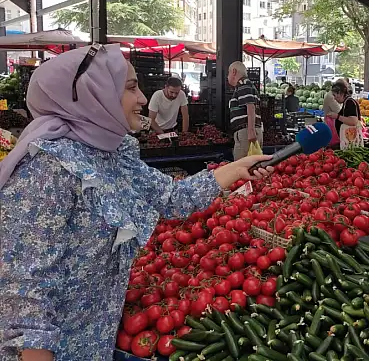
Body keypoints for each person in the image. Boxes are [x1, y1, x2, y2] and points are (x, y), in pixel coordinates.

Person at [0, 45, 273, 360]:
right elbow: (26, 293)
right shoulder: (47, 167)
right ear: (94, 93)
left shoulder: (113, 153)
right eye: (131, 87)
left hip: (94, 342)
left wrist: (237, 168)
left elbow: (173, 198)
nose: (143, 98)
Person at [228, 61, 263, 160]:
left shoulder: (243, 84)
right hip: (250, 130)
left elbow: (250, 106)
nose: (228, 76)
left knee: (241, 166)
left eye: (228, 73)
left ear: (234, 72)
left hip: (245, 131)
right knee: (253, 165)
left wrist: (251, 131)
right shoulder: (248, 84)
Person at [326, 82, 363, 149]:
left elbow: (353, 121)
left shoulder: (350, 102)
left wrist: (337, 116)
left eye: (334, 95)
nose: (334, 98)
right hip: (348, 140)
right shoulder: (347, 102)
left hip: (351, 141)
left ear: (340, 93)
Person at [323, 79, 344, 145]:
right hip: (332, 122)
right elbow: (339, 110)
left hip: (333, 121)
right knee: (333, 144)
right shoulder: (331, 96)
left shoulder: (330, 94)